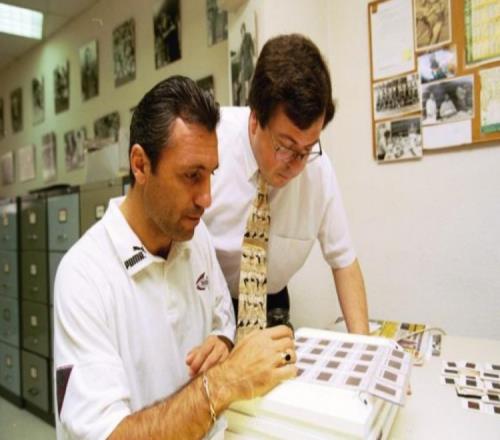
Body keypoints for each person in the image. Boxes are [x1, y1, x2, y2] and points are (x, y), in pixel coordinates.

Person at [54, 76, 297, 440]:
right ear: (140, 165)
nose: (207, 198)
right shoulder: (84, 277)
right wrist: (223, 382)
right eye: (191, 175)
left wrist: (223, 343)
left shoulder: (196, 237)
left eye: (210, 174)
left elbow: (222, 321)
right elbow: (109, 435)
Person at [203, 34, 369, 335]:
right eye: (285, 146)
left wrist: (365, 347)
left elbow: (344, 261)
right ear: (255, 120)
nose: (296, 164)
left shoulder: (318, 170)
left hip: (271, 301)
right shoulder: (209, 144)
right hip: (206, 303)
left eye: (307, 149)